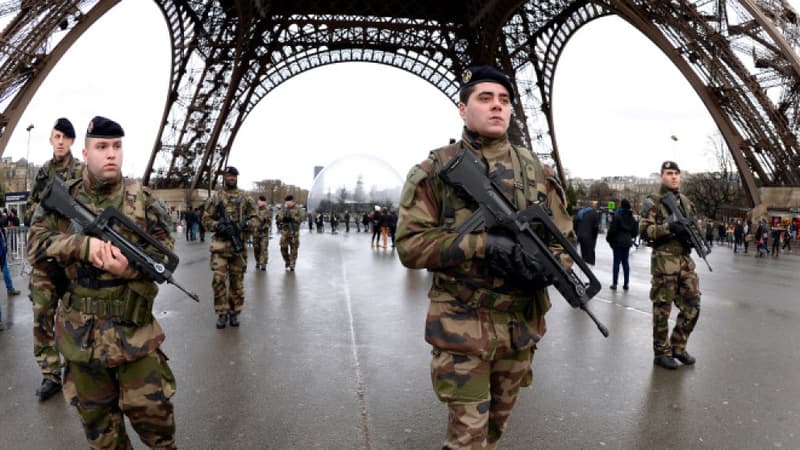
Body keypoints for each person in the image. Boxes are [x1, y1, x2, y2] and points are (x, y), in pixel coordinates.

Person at [396, 66, 575, 449]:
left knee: (493, 430)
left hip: (519, 326)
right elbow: (410, 246)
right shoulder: (436, 170)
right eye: (485, 98)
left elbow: (565, 242)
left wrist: (547, 267)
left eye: (504, 100)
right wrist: (483, 245)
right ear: (463, 109)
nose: (497, 106)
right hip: (462, 322)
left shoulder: (538, 173)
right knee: (468, 438)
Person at [27, 116, 177, 448]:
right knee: (103, 439)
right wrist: (82, 246)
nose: (111, 154)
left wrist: (128, 269)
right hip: (81, 340)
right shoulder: (63, 196)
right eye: (102, 147)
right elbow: (34, 244)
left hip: (135, 336)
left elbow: (165, 256)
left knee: (159, 432)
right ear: (85, 152)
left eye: (117, 146)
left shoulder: (143, 199)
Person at [24, 118, 85, 401]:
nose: (60, 142)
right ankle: (50, 375)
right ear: (51, 139)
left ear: (72, 141)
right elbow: (30, 207)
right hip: (44, 256)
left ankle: (81, 371)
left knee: (77, 318)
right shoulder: (43, 172)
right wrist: (39, 213)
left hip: (71, 257)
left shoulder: (81, 172)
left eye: (65, 137)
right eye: (56, 136)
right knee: (42, 318)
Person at [639, 161, 702, 370]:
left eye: (676, 173)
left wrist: (692, 237)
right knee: (662, 309)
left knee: (693, 305)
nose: (674, 177)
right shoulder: (653, 201)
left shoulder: (686, 201)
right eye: (669, 173)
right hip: (664, 262)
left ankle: (678, 346)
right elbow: (645, 232)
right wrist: (669, 227)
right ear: (662, 176)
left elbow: (694, 226)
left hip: (685, 261)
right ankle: (661, 353)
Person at [200, 166, 256, 328]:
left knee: (236, 282)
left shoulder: (245, 197)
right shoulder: (216, 198)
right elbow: (205, 219)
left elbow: (257, 219)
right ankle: (222, 313)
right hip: (220, 246)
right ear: (224, 177)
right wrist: (218, 226)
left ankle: (234, 313)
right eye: (228, 175)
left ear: (237, 177)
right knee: (218, 280)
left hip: (238, 247)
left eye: (234, 176)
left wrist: (242, 225)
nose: (231, 178)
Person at [606, 199, 637, 290]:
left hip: (618, 242)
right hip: (627, 242)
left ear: (621, 206)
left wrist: (609, 239)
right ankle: (626, 284)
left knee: (616, 263)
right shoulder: (632, 218)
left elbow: (612, 230)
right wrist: (629, 237)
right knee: (625, 262)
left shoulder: (617, 216)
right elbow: (635, 232)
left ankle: (615, 283)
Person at [276, 195, 303, 271]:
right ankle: (287, 261)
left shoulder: (298, 209)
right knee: (283, 248)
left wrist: (292, 218)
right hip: (285, 232)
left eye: (288, 201)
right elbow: (278, 217)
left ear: (292, 201)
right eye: (286, 201)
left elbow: (302, 218)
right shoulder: (284, 209)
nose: (287, 203)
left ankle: (292, 265)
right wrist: (283, 218)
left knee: (294, 249)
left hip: (294, 232)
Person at [254, 195, 272, 271]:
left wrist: (264, 227)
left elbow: (269, 222)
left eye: (260, 201)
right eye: (258, 200)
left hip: (264, 233)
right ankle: (258, 261)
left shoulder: (267, 210)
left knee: (263, 248)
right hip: (255, 233)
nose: (259, 202)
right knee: (256, 248)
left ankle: (263, 263)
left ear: (264, 202)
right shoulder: (255, 210)